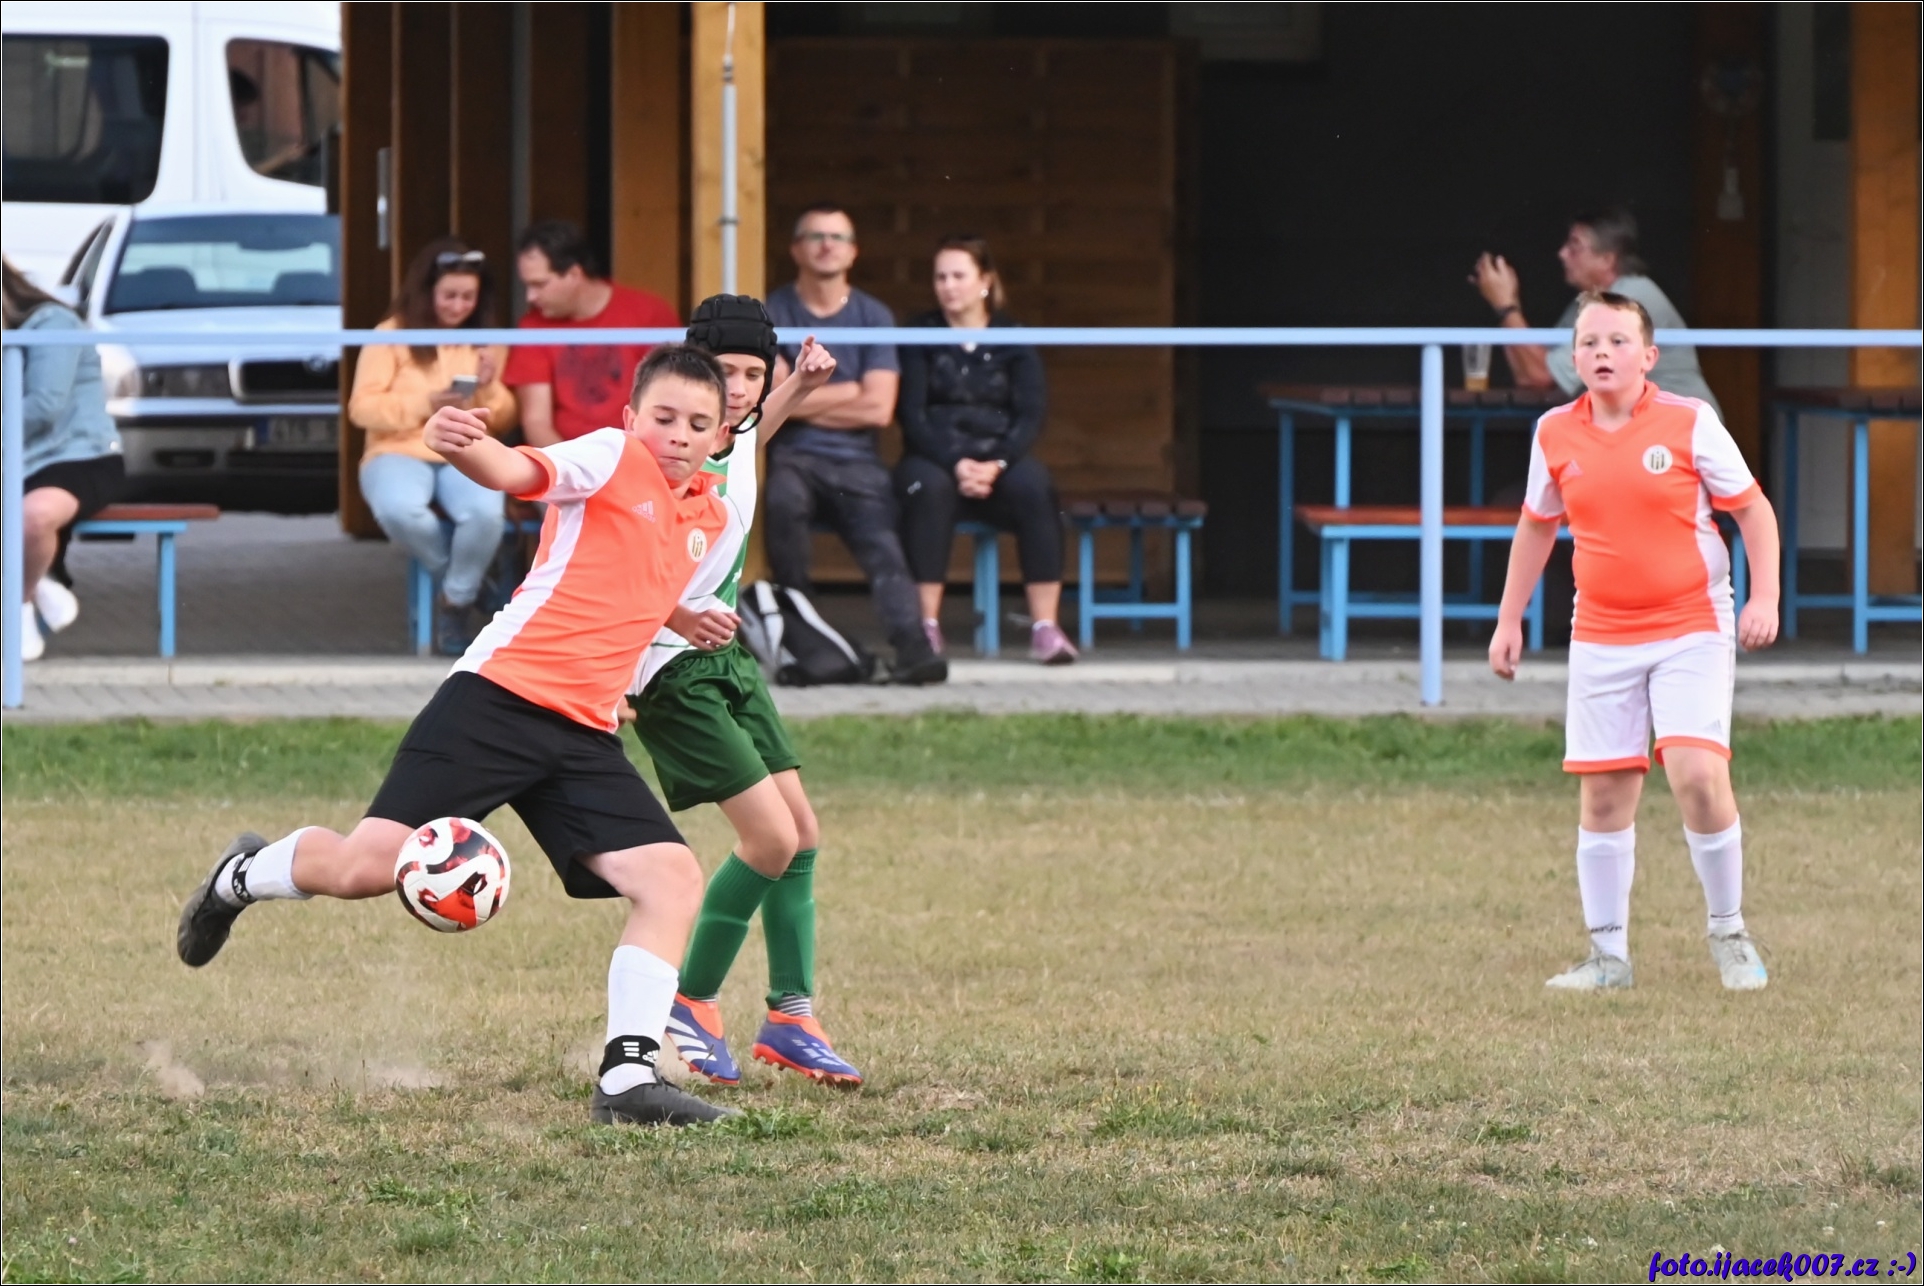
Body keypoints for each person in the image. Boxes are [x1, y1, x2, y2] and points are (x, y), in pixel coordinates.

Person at [176, 345, 737, 1128]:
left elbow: (636, 570)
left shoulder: (710, 516)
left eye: (698, 424)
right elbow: (518, 470)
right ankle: (239, 876)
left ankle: (628, 1080)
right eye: (663, 416)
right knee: (363, 869)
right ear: (630, 417)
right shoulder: (611, 456)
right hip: (496, 702)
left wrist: (679, 615)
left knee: (672, 879)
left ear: (721, 436)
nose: (677, 434)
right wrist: (465, 445)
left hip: (581, 732)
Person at [1488, 291, 1780, 993]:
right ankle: (1608, 957)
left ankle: (1729, 931)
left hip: (1691, 624)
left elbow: (1753, 510)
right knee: (1604, 796)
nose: (1602, 353)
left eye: (1618, 342)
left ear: (1648, 357)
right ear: (1573, 357)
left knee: (1698, 775)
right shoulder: (1554, 432)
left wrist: (1765, 597)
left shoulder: (1690, 422)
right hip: (1602, 631)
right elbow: (1536, 526)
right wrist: (1509, 618)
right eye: (1588, 342)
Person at [622, 296, 862, 1086]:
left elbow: (756, 430)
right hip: (668, 667)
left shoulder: (742, 430)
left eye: (752, 374)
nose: (736, 388)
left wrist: (799, 385)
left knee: (802, 835)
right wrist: (635, 655)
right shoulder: (659, 459)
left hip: (726, 659)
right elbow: (611, 570)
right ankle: (689, 1001)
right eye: (721, 371)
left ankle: (792, 1015)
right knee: (769, 841)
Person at [762, 203, 946, 684]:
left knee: (882, 543)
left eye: (838, 237)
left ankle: (913, 650)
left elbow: (879, 409)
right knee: (781, 505)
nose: (828, 245)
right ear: (796, 249)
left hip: (858, 462)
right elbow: (771, 401)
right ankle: (805, 642)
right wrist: (849, 390)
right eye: (816, 236)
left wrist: (802, 391)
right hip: (794, 458)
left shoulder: (873, 315)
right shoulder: (774, 311)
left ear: (853, 252)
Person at [895, 235, 1075, 664]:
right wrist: (956, 462)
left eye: (958, 276)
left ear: (985, 281)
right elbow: (911, 415)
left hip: (999, 457)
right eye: (940, 277)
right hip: (936, 457)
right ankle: (926, 628)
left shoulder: (1013, 336)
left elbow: (1030, 414)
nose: (948, 286)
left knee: (1036, 487)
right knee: (928, 488)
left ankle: (1046, 628)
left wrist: (997, 463)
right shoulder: (919, 334)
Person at [348, 239, 519, 654]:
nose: (458, 306)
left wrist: (487, 386)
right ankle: (466, 585)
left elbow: (504, 419)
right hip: (398, 450)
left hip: (466, 446)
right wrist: (427, 404)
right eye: (449, 295)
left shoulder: (488, 340)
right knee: (399, 510)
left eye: (468, 297)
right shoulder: (390, 334)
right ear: (426, 292)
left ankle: (455, 603)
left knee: (486, 515)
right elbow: (361, 408)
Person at [1470, 207, 1721, 411]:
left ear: (1607, 259)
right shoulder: (1590, 302)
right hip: (1639, 426)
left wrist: (1506, 306)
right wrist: (1507, 306)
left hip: (1681, 431)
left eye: (1575, 246)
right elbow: (1530, 375)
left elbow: (1540, 375)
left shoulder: (1625, 300)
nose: (1562, 254)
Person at [2, 258, 124, 662]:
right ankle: (42, 587)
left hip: (78, 455)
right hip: (16, 461)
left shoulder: (52, 323)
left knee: (33, 517)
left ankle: (18, 610)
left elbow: (44, 405)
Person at [503, 219, 681, 446]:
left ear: (574, 274)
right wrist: (570, 465)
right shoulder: (533, 327)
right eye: (528, 285)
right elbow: (536, 423)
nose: (530, 297)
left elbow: (673, 405)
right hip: (564, 458)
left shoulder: (649, 313)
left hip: (641, 453)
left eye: (540, 284)